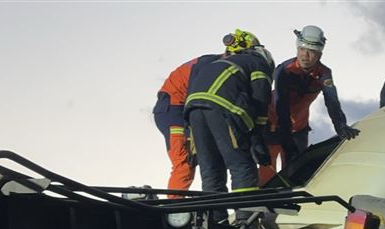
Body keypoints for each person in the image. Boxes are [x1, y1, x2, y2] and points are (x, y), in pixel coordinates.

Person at [153, 29, 259, 198]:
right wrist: (192, 133)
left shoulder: (220, 66)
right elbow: (195, 95)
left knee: (208, 159)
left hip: (189, 109)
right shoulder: (209, 65)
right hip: (174, 108)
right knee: (185, 163)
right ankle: (174, 213)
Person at [259, 25, 360, 185]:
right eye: (302, 50)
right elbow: (281, 105)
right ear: (297, 48)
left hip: (299, 128)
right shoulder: (284, 70)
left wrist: (341, 126)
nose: (305, 55)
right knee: (266, 174)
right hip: (273, 125)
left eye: (312, 52)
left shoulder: (324, 73)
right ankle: (260, 204)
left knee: (296, 174)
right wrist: (286, 137)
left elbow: (332, 101)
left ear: (319, 54)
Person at [184, 35, 274, 209]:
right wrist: (257, 139)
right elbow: (262, 99)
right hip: (223, 109)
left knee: (211, 172)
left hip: (193, 111)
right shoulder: (258, 63)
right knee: (242, 166)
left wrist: (190, 139)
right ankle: (246, 221)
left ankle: (215, 224)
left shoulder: (218, 64)